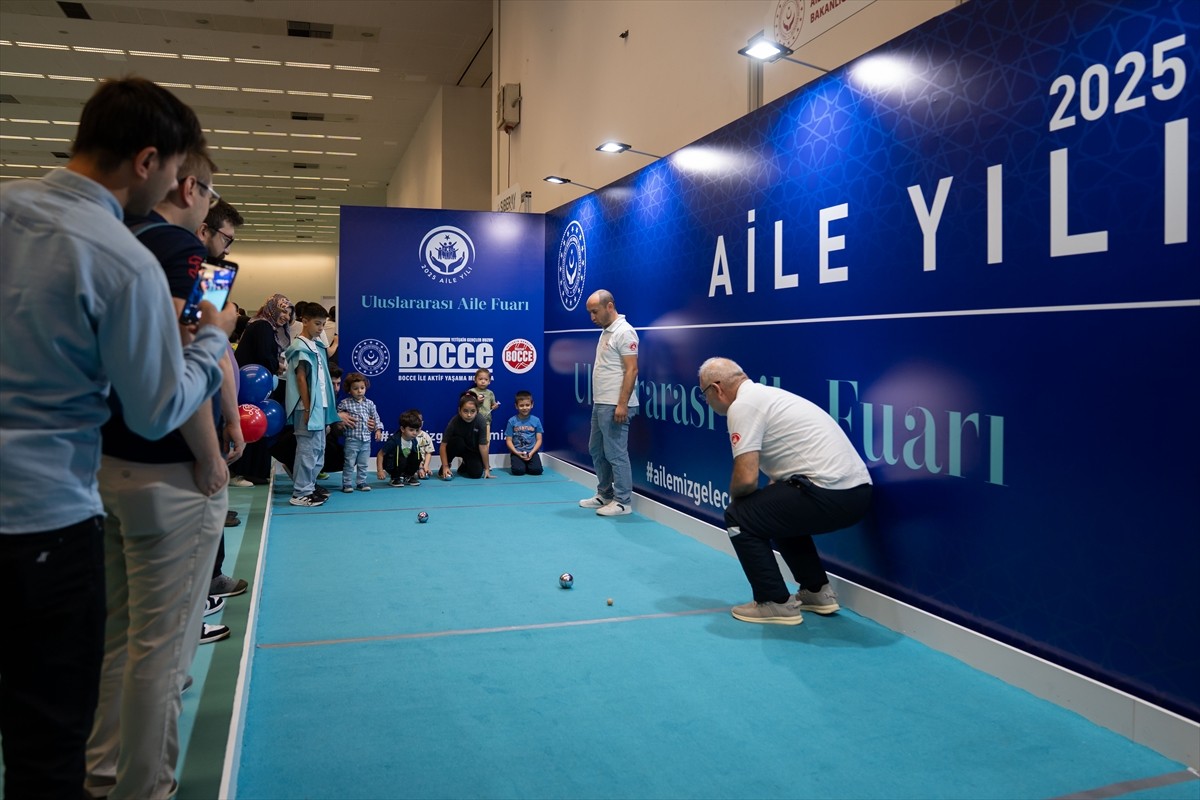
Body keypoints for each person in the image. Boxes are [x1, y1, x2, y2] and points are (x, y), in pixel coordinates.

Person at [0, 77, 234, 799]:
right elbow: (159, 402)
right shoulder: (124, 257)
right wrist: (209, 345)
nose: (175, 186)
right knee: (142, 665)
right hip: (54, 514)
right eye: (175, 172)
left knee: (110, 653)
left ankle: (104, 779)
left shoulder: (7, 208)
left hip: (93, 482)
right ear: (148, 161)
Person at [85, 147, 233, 798]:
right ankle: (144, 789)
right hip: (169, 473)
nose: (209, 212)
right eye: (209, 199)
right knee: (163, 653)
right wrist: (208, 455)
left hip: (106, 463)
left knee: (122, 638)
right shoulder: (183, 254)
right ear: (191, 187)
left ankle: (104, 772)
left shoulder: (114, 239)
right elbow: (181, 362)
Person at [697, 357, 873, 626]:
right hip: (857, 494)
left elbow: (746, 479)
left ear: (717, 388)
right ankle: (817, 592)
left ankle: (773, 602)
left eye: (704, 394)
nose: (706, 402)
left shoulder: (742, 406)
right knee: (772, 513)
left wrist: (741, 510)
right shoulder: (767, 396)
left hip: (829, 493)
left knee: (739, 515)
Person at [195, 198, 248, 597]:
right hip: (192, 412)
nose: (228, 248)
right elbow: (203, 353)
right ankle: (201, 596)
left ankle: (208, 582)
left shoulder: (212, 273)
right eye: (227, 238)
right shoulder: (207, 276)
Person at [578, 289, 639, 516]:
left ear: (609, 306)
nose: (592, 317)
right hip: (601, 402)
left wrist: (622, 404)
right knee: (596, 448)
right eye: (590, 313)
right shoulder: (606, 332)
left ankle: (623, 502)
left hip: (615, 404)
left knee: (616, 453)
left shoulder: (625, 332)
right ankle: (605, 494)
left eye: (595, 312)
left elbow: (632, 370)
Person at [232, 293, 293, 485]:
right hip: (250, 388)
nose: (285, 316)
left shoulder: (265, 326)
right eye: (282, 310)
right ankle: (238, 472)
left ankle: (253, 472)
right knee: (249, 425)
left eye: (289, 313)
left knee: (257, 425)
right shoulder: (263, 326)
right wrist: (278, 365)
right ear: (272, 308)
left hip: (254, 388)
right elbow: (264, 355)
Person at [283, 302, 338, 507]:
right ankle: (300, 492)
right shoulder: (299, 346)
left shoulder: (317, 345)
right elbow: (301, 379)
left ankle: (310, 486)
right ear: (304, 321)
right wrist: (307, 408)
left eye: (323, 324)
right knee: (307, 449)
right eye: (317, 324)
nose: (321, 328)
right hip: (307, 407)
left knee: (318, 449)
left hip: (320, 406)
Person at [338, 371, 384, 492]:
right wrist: (340, 424)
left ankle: (361, 482)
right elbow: (338, 419)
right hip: (352, 439)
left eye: (362, 388)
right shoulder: (345, 403)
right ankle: (347, 483)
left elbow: (376, 417)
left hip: (366, 440)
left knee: (363, 463)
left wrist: (378, 430)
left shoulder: (369, 404)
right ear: (349, 390)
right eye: (355, 388)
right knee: (349, 463)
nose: (359, 391)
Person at [439, 395, 493, 480]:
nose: (469, 415)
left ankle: (465, 464)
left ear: (477, 411)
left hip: (472, 449)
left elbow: (483, 446)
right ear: (459, 410)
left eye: (472, 411)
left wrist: (486, 468)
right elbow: (443, 446)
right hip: (458, 446)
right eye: (465, 411)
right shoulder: (454, 422)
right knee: (457, 442)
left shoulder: (481, 421)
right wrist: (445, 466)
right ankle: (447, 465)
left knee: (476, 474)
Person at [377, 410, 424, 487]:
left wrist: (420, 468)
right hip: (393, 465)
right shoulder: (393, 441)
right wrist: (380, 470)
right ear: (402, 429)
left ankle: (408, 476)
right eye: (411, 430)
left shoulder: (414, 441)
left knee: (417, 456)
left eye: (417, 430)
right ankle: (395, 478)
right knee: (401, 458)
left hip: (405, 464)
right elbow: (380, 454)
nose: (415, 433)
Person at [505, 390, 545, 476]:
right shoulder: (511, 421)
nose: (525, 408)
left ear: (532, 405)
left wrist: (531, 453)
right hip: (517, 452)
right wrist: (516, 452)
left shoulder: (536, 420)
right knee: (518, 471)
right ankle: (521, 465)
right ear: (516, 406)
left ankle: (528, 465)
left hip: (532, 452)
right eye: (521, 405)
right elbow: (508, 440)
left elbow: (539, 439)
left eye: (527, 405)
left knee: (537, 470)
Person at [466, 367, 500, 445]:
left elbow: (493, 405)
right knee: (471, 441)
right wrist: (476, 401)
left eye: (486, 379)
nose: (483, 381)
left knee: (485, 442)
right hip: (473, 421)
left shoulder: (490, 393)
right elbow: (467, 405)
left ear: (489, 381)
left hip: (486, 421)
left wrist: (495, 406)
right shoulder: (471, 391)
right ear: (475, 380)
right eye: (480, 379)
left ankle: (484, 456)